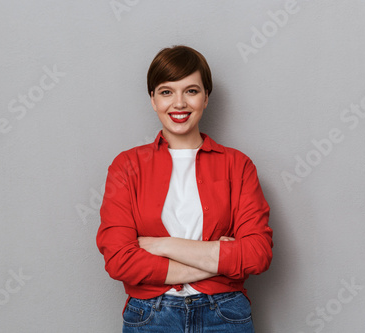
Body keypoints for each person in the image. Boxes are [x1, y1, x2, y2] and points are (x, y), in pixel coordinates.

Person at [96, 45, 273, 332]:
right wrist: (218, 260)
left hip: (225, 313)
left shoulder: (238, 165)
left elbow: (257, 253)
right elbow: (119, 260)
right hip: (150, 316)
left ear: (206, 98)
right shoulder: (126, 166)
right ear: (153, 100)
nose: (179, 103)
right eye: (166, 92)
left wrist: (162, 245)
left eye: (191, 91)